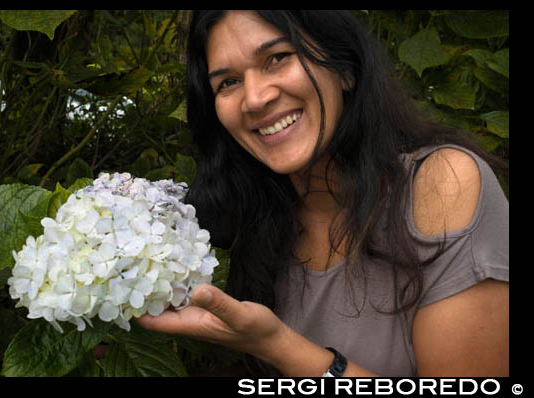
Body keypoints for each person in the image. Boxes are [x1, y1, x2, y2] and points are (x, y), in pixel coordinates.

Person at [136, 10, 509, 377]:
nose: (254, 98)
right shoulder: (253, 223)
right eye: (228, 82)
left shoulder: (441, 185)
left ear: (344, 68)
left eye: (277, 58)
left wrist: (277, 346)